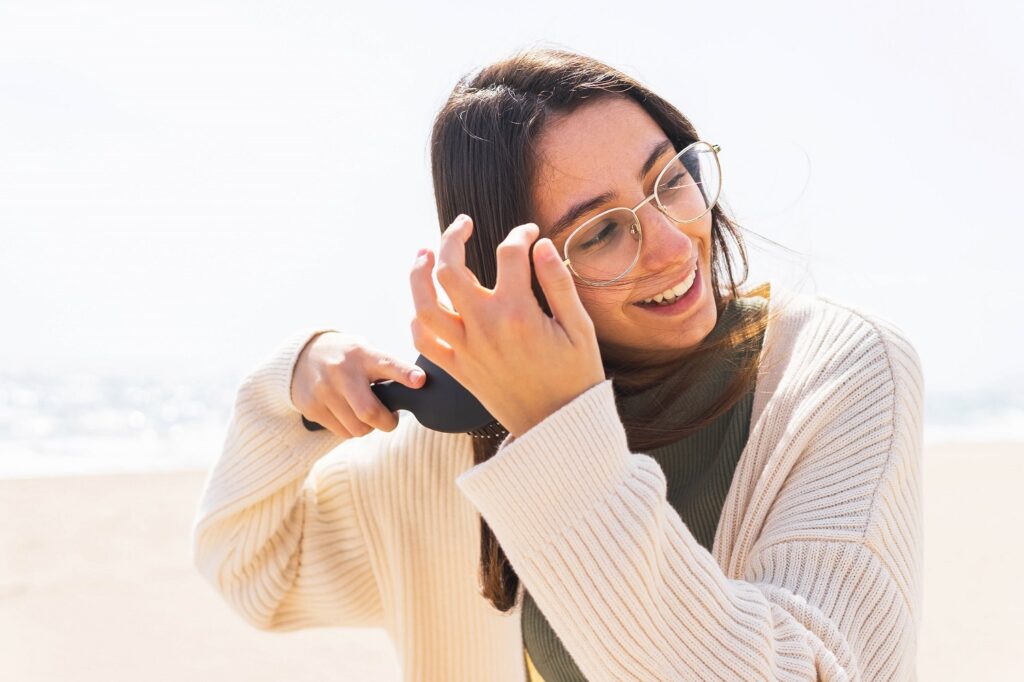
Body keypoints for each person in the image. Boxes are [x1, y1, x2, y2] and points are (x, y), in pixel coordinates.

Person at [191, 47, 924, 682]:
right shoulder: (450, 453)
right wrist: (292, 386)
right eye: (603, 231)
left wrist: (556, 431)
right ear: (518, 279)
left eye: (671, 178)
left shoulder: (836, 375)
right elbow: (255, 569)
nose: (673, 245)